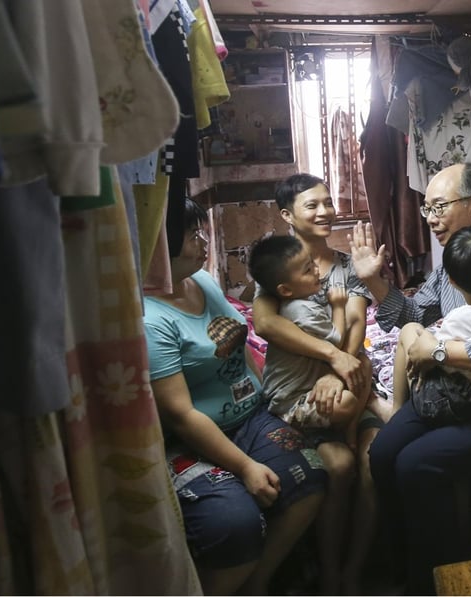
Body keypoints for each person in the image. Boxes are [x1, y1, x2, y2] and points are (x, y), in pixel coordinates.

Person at [350, 161, 471, 594]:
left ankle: (436, 579)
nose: (431, 218)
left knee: (416, 465)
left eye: (439, 206)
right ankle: (405, 563)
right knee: (381, 456)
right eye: (426, 209)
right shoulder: (448, 261)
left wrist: (438, 350)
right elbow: (416, 316)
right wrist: (377, 284)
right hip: (448, 391)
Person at [143, 199, 327, 595]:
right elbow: (179, 415)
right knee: (234, 522)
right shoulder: (149, 319)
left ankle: (257, 584)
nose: (203, 240)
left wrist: (267, 398)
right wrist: (245, 467)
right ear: (161, 246)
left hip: (252, 416)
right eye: (192, 235)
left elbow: (241, 341)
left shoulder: (203, 281)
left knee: (310, 474)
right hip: (194, 437)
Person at [251, 173, 383, 595]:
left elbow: (357, 324)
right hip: (309, 393)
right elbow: (266, 323)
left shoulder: (348, 267)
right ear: (288, 215)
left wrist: (337, 368)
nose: (326, 211)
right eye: (313, 205)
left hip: (349, 380)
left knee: (370, 464)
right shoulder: (280, 266)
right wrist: (330, 357)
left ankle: (354, 571)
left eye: (328, 202)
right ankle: (327, 572)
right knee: (338, 466)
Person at [248, 234, 367, 448]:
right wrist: (338, 306)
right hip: (290, 401)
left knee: (363, 364)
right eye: (307, 269)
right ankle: (328, 432)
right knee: (346, 402)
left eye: (312, 262)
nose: (316, 270)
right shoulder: (302, 310)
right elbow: (337, 341)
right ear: (285, 289)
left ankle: (349, 431)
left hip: (305, 384)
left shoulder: (293, 299)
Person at [393, 226, 471, 427]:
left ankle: (396, 409)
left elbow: (427, 356)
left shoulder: (458, 318)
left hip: (452, 400)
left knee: (409, 330)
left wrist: (426, 343)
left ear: (452, 281)